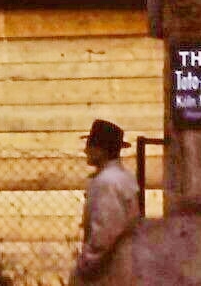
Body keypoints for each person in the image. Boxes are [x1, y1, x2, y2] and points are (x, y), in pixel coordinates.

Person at [71, 119, 139, 285]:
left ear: (102, 151)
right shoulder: (122, 177)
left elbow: (105, 233)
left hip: (107, 271)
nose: (86, 150)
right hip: (122, 264)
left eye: (91, 145)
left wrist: (83, 267)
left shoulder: (107, 182)